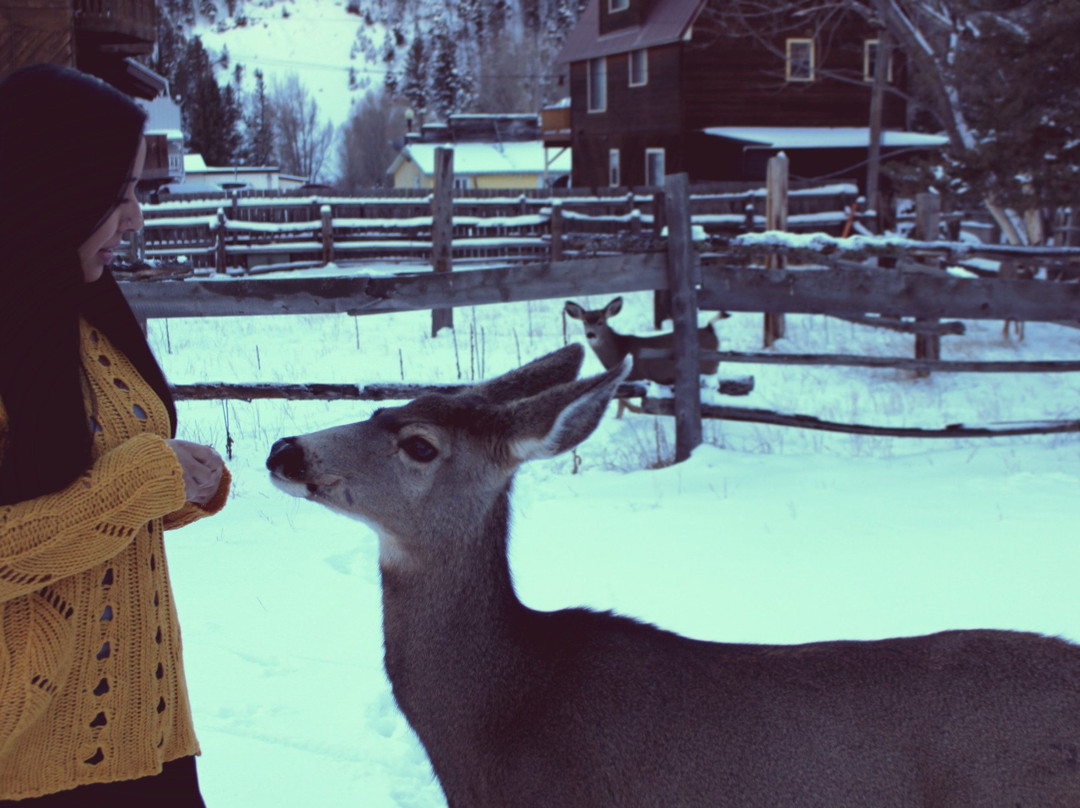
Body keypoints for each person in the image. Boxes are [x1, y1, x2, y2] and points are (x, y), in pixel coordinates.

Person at [0, 64, 229, 804]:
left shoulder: (80, 306)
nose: (134, 218)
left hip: (147, 733)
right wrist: (135, 486)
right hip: (34, 762)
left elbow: (79, 493)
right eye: (117, 194)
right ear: (50, 192)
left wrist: (173, 489)